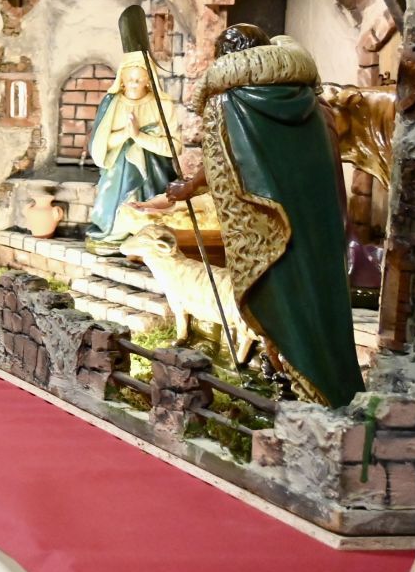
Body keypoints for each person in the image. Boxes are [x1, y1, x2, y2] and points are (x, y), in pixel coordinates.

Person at [141, 25, 364, 407]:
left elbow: (223, 163)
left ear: (225, 60)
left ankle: (295, 394)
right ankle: (332, 390)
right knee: (322, 303)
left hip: (268, 233)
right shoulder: (313, 101)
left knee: (280, 306)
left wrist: (188, 188)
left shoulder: (228, 103)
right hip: (318, 228)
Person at [84, 51, 180, 246]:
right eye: (130, 80)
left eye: (139, 79)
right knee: (117, 214)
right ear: (121, 80)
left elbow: (174, 147)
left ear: (148, 80)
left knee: (152, 212)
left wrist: (139, 136)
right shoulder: (112, 103)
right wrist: (127, 134)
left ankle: (147, 238)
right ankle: (114, 234)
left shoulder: (162, 104)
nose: (134, 84)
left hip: (155, 171)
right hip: (118, 172)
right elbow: (100, 144)